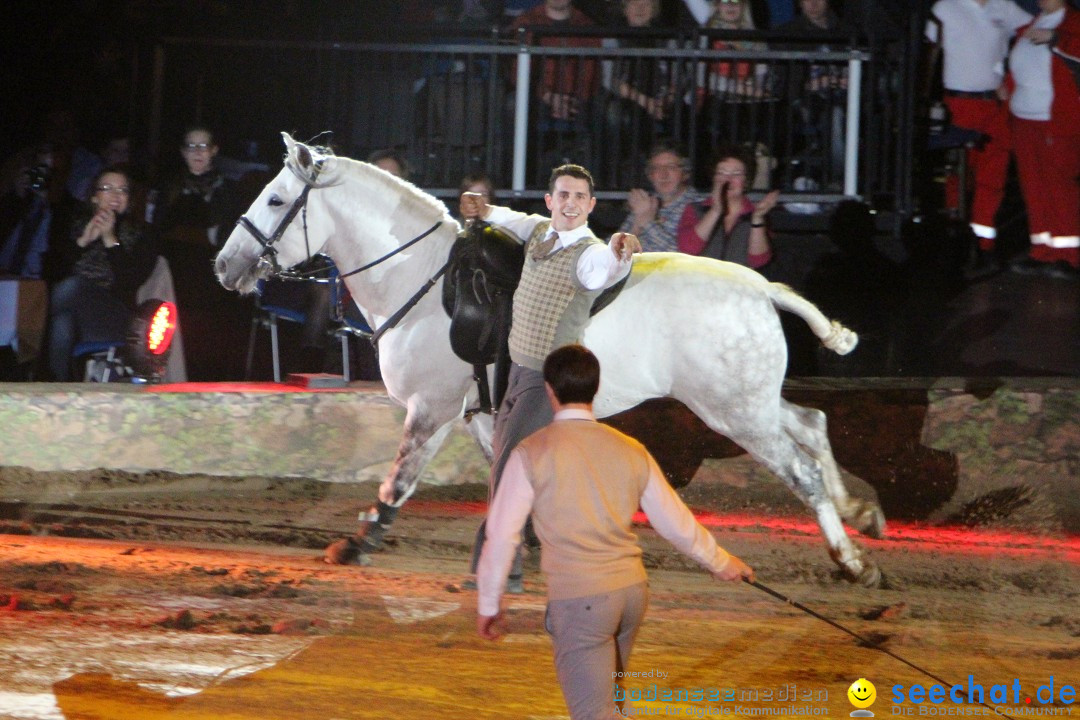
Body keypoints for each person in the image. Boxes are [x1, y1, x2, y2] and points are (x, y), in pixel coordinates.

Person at [476, 344, 754, 720]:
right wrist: (721, 562)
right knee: (613, 704)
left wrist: (490, 604)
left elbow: (503, 535)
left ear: (550, 389)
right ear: (595, 387)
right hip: (631, 594)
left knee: (594, 713)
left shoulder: (532, 451)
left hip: (582, 599)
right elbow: (675, 521)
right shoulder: (630, 448)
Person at [460, 164, 642, 590]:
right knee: (507, 466)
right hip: (519, 372)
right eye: (563, 195)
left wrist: (620, 249)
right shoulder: (542, 231)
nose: (571, 203)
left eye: (580, 197)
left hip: (547, 380)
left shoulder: (590, 254)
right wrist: (484, 210)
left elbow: (607, 265)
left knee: (508, 470)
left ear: (592, 205)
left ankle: (505, 569)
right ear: (550, 201)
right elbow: (515, 221)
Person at [925, 0, 1032, 272]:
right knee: (956, 176)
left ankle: (984, 247)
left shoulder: (1005, 6)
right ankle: (954, 242)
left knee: (992, 178)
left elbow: (1032, 36)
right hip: (956, 105)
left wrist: (1010, 79)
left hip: (993, 107)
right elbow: (929, 54)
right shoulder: (945, 8)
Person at [47, 166, 159, 381]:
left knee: (72, 286)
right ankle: (60, 393)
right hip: (76, 316)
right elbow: (51, 273)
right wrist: (83, 242)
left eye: (122, 190)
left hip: (115, 316)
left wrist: (110, 240)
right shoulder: (76, 225)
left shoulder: (144, 233)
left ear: (129, 198)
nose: (115, 196)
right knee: (62, 323)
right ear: (94, 197)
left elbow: (130, 282)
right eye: (107, 188)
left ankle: (34, 325)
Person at [1006, 0, 1080, 279]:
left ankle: (1069, 256)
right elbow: (1022, 65)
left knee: (1059, 186)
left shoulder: (1073, 23)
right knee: (1034, 187)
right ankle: (1042, 251)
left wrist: (1056, 38)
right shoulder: (1033, 22)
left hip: (1057, 118)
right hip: (1024, 118)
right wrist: (1007, 88)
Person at [677, 146, 779, 267]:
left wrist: (757, 219)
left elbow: (759, 261)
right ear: (714, 178)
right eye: (722, 173)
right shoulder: (695, 209)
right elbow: (687, 250)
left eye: (736, 174)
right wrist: (715, 211)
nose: (728, 180)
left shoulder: (756, 215)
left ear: (746, 181)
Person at [619, 142, 706, 252]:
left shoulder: (699, 207)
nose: (663, 175)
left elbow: (685, 256)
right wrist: (636, 226)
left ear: (685, 173)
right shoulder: (646, 204)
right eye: (656, 168)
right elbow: (611, 254)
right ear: (650, 175)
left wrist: (647, 223)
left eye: (671, 167)